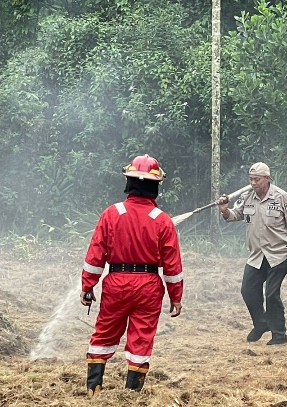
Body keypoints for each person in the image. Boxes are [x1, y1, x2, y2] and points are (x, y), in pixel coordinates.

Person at [81, 154, 183, 396]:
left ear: (128, 182)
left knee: (104, 333)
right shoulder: (163, 221)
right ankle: (132, 396)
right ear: (156, 185)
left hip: (116, 283)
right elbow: (172, 266)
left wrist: (87, 286)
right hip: (149, 286)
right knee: (141, 338)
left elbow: (95, 255)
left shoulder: (111, 213)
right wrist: (176, 297)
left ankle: (93, 391)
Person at [217, 162, 287, 345]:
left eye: (257, 179)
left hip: (279, 255)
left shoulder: (281, 197)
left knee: (271, 294)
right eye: (251, 179)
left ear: (267, 179)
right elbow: (236, 215)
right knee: (248, 290)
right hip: (257, 255)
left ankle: (279, 336)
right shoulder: (246, 197)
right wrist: (225, 210)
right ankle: (261, 323)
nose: (254, 183)